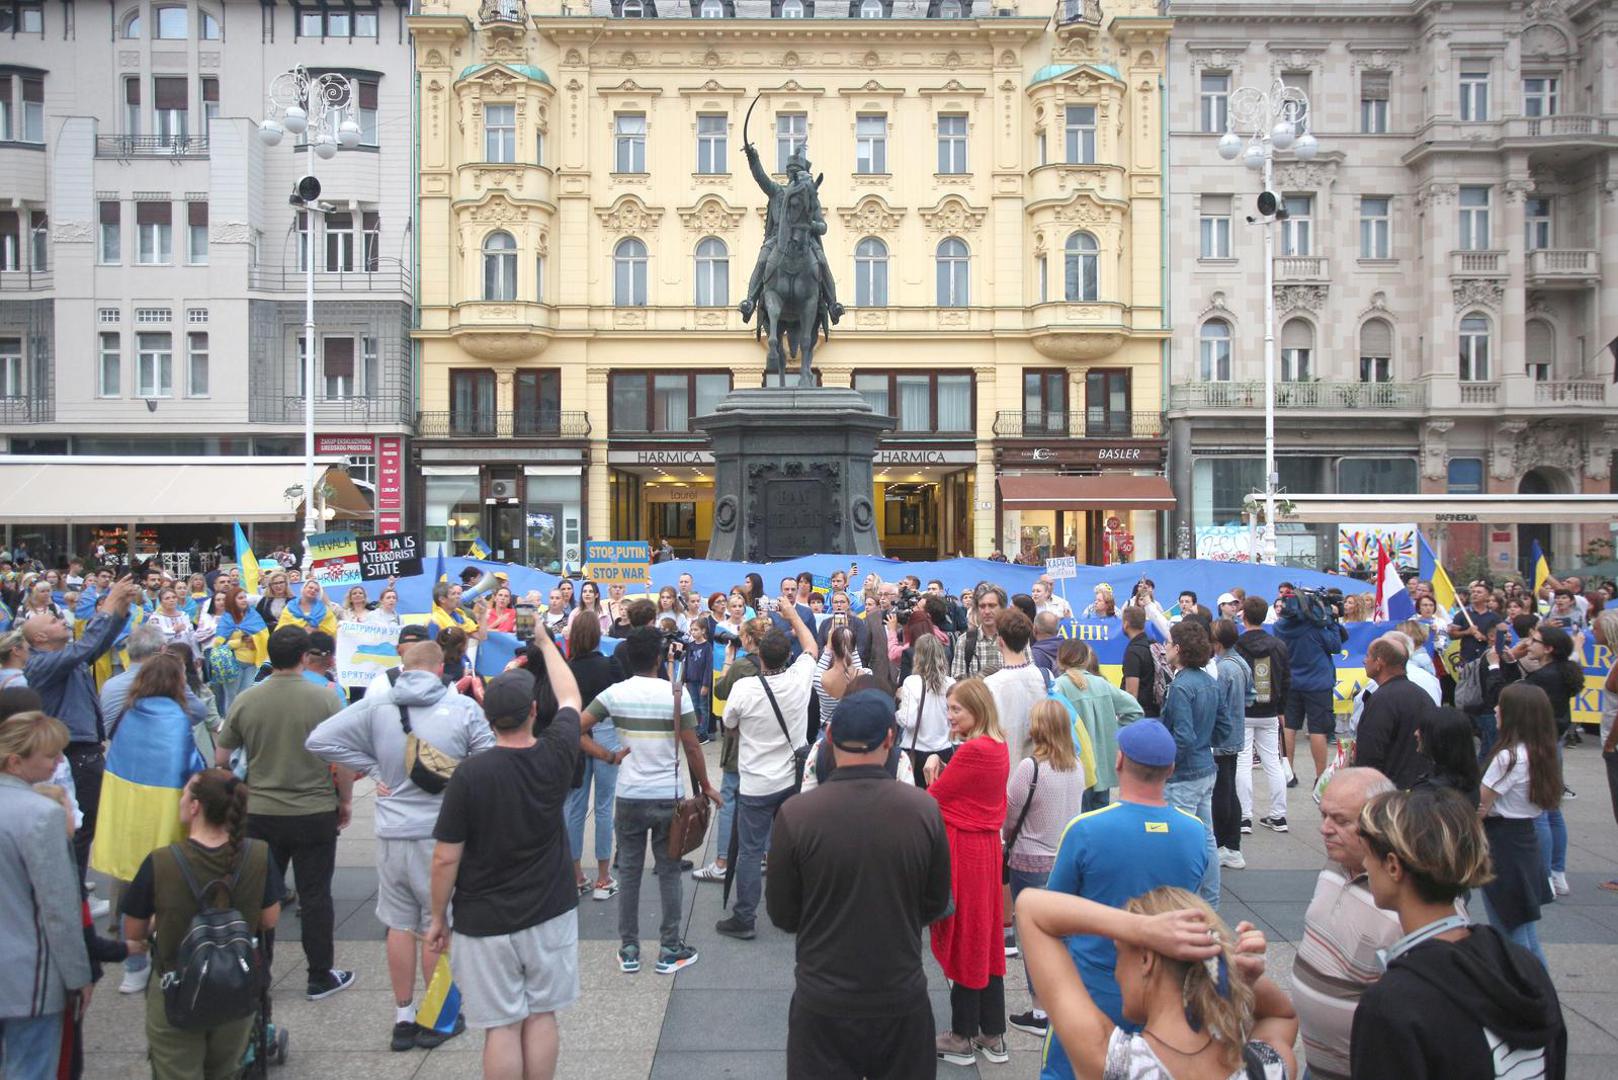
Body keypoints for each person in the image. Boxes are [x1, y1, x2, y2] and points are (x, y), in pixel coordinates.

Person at [305, 640, 493, 1050]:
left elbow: (318, 740)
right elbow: (487, 761)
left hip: (392, 830)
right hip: (442, 834)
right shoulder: (462, 708)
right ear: (440, 668)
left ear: (402, 667)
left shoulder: (377, 705)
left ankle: (403, 1016)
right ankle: (438, 1016)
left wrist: (373, 768)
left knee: (398, 924)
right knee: (436, 924)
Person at [765, 689, 952, 1080]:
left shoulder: (797, 814)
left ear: (830, 737)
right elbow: (936, 904)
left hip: (823, 997)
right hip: (900, 994)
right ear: (889, 739)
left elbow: (783, 913)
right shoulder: (923, 810)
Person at [427, 649, 583, 1080]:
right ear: (533, 711)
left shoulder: (470, 775)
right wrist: (545, 643)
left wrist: (438, 916)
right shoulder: (555, 754)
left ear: (487, 717)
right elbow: (571, 697)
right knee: (542, 1014)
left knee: (501, 1025)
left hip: (484, 917)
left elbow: (445, 857)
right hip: (549, 908)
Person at [1351, 786, 1566, 1079]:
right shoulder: (1523, 966)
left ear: (1393, 866)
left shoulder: (1392, 1003)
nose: (1364, 865)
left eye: (1367, 855)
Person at [1041, 720, 1209, 1076]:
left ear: (1119, 760)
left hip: (1092, 985)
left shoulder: (1086, 829)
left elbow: (1050, 915)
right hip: (1165, 995)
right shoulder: (1195, 833)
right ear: (1171, 769)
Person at [1017, 885, 1295, 1080]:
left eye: (1119, 954)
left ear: (1146, 960)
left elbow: (1031, 908)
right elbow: (1282, 1016)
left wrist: (1139, 929)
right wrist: (1233, 973)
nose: (1117, 973)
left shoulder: (1115, 1064)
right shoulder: (1265, 1068)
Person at [215, 625, 355, 1001]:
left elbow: (222, 757)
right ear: (304, 657)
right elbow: (342, 758)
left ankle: (257, 977)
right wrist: (345, 800)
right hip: (313, 809)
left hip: (260, 811)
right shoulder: (325, 698)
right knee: (315, 895)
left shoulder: (247, 699)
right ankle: (319, 975)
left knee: (260, 895)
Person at [119, 769, 281, 1080]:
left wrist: (160, 920)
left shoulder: (162, 861)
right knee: (227, 1069)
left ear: (195, 806)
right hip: (236, 985)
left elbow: (133, 932)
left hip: (176, 986)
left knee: (176, 1068)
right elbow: (269, 918)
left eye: (184, 794)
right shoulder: (258, 854)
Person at [582, 627, 719, 975]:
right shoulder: (676, 695)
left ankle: (629, 949)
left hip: (629, 794)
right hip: (667, 796)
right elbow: (692, 747)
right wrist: (705, 786)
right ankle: (669, 948)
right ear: (659, 658)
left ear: (627, 658)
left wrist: (608, 755)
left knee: (629, 872)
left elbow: (573, 727)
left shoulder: (614, 694)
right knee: (669, 871)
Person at [23, 573, 140, 877]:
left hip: (80, 751)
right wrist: (109, 603)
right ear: (40, 638)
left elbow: (96, 645)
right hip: (73, 752)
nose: (62, 621)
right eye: (53, 621)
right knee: (81, 824)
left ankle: (73, 884)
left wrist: (121, 609)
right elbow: (87, 647)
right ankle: (71, 886)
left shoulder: (63, 658)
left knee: (85, 822)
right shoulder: (41, 663)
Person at [716, 603, 819, 940]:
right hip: (792, 780)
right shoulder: (800, 678)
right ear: (787, 656)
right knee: (794, 847)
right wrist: (792, 615)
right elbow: (811, 646)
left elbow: (729, 723)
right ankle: (799, 909)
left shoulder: (744, 689)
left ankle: (745, 917)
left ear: (759, 656)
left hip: (756, 783)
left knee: (749, 851)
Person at [922, 677, 1010, 1066]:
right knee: (985, 936)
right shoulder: (997, 743)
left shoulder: (974, 750)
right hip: (985, 850)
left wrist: (933, 772)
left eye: (956, 708)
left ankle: (961, 1035)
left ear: (977, 708)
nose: (950, 716)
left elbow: (935, 798)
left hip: (966, 853)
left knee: (966, 937)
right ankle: (992, 1032)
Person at [1291, 768, 1401, 1080]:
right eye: (1323, 815)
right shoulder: (1336, 863)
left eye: (1340, 820)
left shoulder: (1404, 901)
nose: (1325, 829)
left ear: (1380, 824)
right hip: (1317, 1066)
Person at [0, 711, 92, 1080]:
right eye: (50, 756)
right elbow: (59, 908)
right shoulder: (42, 815)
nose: (57, 763)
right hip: (29, 977)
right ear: (15, 761)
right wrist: (78, 976)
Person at [1004, 698, 1088, 1039]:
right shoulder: (1077, 766)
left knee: (1034, 937)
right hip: (1064, 859)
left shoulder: (1031, 768)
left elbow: (1010, 813)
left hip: (1030, 859)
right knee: (1063, 936)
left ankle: (1040, 1010)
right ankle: (1064, 1002)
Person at [1488, 622, 1583, 895]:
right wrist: (1511, 660)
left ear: (1549, 648)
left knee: (1539, 810)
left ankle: (1544, 875)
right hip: (1551, 741)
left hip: (1537, 742)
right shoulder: (1557, 672)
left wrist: (1495, 666)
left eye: (1535, 641)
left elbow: (1509, 696)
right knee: (1551, 808)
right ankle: (1556, 871)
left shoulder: (1546, 676)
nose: (1529, 644)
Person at [1478, 682, 1561, 965]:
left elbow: (1481, 806)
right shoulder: (1541, 752)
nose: (1495, 709)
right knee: (1525, 933)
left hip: (1503, 844)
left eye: (1502, 706)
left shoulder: (1509, 757)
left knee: (1510, 935)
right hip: (1524, 839)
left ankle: (1527, 986)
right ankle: (1538, 985)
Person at [1158, 619, 1225, 907]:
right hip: (1205, 767)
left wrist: (1168, 765)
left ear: (1178, 648)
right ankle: (1209, 901)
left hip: (1184, 774)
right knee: (1206, 837)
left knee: (1179, 841)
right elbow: (1224, 727)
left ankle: (1181, 902)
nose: (1165, 648)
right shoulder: (1209, 682)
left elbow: (1182, 736)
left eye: (1168, 643)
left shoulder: (1180, 687)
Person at [564, 616, 624, 899]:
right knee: (603, 806)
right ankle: (603, 876)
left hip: (575, 734)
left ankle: (576, 875)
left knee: (575, 806)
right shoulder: (611, 665)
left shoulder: (567, 669)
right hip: (606, 731)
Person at [1053, 638, 1141, 813]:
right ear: (1087, 658)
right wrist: (1115, 731)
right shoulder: (1101, 683)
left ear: (1060, 659)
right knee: (1100, 818)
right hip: (1102, 767)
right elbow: (1135, 710)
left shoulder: (1058, 687)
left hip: (1075, 767)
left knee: (1078, 820)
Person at [1276, 589, 1346, 789]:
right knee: (1317, 730)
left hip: (1291, 682)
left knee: (1289, 727)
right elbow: (1335, 646)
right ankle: (1320, 777)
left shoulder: (1280, 627)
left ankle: (1288, 773)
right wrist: (1332, 620)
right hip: (1318, 684)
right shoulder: (1316, 628)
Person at [1233, 595, 1290, 840]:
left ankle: (1244, 816)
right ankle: (1279, 815)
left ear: (1244, 615)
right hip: (1269, 709)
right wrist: (1281, 709)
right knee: (1273, 762)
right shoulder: (1278, 645)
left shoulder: (1237, 645)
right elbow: (1286, 679)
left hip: (1243, 710)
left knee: (1242, 762)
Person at [1354, 635, 1436, 790]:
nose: (1364, 661)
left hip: (1388, 791)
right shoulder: (1422, 696)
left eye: (1368, 656)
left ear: (1379, 662)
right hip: (1420, 788)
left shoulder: (1381, 700)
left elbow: (1369, 753)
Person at [1210, 619, 1253, 870]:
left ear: (1217, 642)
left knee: (1222, 792)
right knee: (1228, 790)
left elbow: (1216, 704)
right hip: (1235, 734)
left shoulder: (1224, 668)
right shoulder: (1240, 663)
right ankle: (1231, 846)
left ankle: (1224, 845)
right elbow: (1250, 697)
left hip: (1222, 737)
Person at [983, 607, 1045, 767]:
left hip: (1004, 768)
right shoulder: (1045, 677)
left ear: (1000, 641)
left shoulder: (991, 684)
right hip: (1039, 769)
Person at [896, 632, 954, 790]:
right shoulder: (950, 683)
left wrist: (898, 709)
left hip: (916, 752)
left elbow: (908, 721)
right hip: (944, 750)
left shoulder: (911, 682)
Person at [1413, 707, 1482, 807]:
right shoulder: (1470, 784)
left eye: (1423, 730)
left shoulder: (1428, 792)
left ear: (1438, 739)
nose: (1416, 733)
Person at [213, 586, 269, 712]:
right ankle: (230, 721)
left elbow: (265, 636)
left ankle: (243, 721)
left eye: (244, 597)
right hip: (233, 663)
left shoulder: (254, 615)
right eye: (240, 598)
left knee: (246, 696)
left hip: (252, 663)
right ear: (232, 600)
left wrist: (254, 639)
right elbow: (218, 644)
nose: (244, 600)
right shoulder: (227, 619)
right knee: (232, 696)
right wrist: (240, 641)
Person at [951, 583, 1006, 679]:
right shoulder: (964, 641)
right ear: (976, 609)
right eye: (982, 606)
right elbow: (957, 681)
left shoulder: (1015, 638)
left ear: (1002, 608)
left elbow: (1026, 676)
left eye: (992, 606)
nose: (987, 611)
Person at [1118, 606, 1163, 719]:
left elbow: (1131, 693)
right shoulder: (1153, 645)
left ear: (1126, 624)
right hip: (1156, 712)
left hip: (1139, 716)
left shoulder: (1133, 652)